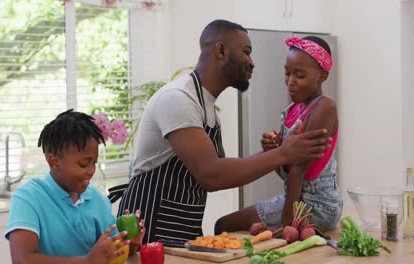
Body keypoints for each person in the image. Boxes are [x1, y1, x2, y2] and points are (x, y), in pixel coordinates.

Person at [108, 20, 332, 244]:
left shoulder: (209, 111)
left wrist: (275, 154)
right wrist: (283, 154)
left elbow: (225, 173)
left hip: (185, 230)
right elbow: (211, 175)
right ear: (221, 50)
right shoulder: (178, 99)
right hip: (150, 230)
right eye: (246, 52)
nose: (252, 63)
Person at [214, 36, 342, 234]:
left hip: (316, 206)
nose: (290, 82)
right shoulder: (293, 110)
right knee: (223, 225)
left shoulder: (324, 107)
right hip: (296, 197)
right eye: (287, 73)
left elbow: (298, 172)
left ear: (322, 76)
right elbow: (287, 171)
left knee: (223, 225)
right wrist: (274, 151)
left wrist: (285, 229)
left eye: (299, 75)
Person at [5, 109, 145, 264]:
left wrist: (131, 243)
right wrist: (87, 262)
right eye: (84, 164)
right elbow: (23, 260)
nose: (91, 171)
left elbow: (112, 253)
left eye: (94, 163)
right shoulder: (29, 197)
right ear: (54, 162)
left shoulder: (97, 200)